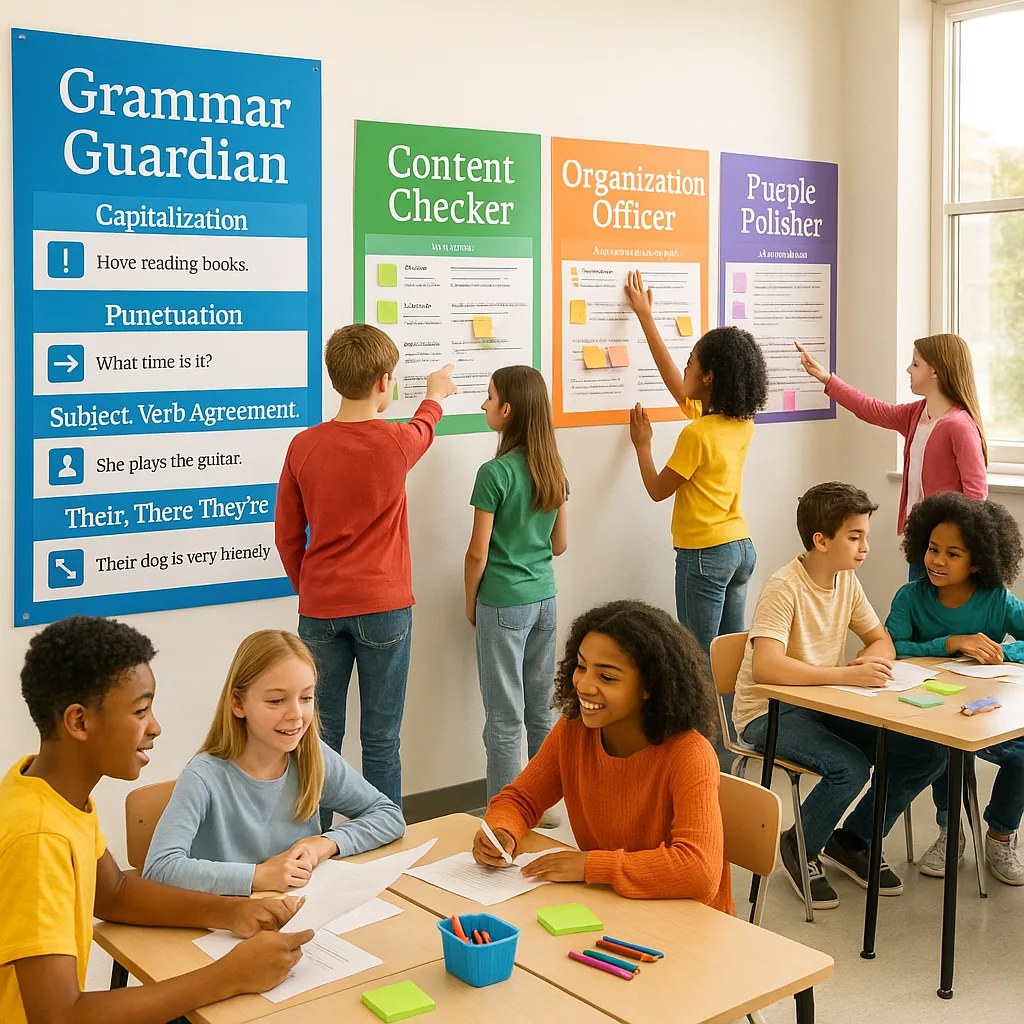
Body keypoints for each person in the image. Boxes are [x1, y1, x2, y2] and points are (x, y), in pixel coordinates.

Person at [1, 616, 312, 1024]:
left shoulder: (47, 791)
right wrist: (229, 976)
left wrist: (228, 912)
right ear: (79, 721)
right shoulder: (40, 837)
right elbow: (59, 1016)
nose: (156, 727)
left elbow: (113, 893)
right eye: (140, 711)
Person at [733, 482, 946, 910]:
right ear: (821, 540)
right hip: (770, 711)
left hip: (824, 702)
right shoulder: (784, 587)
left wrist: (868, 661)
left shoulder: (845, 581)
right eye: (856, 537)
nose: (866, 547)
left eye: (865, 535)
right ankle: (800, 844)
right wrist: (841, 675)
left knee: (927, 751)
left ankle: (852, 840)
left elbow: (880, 640)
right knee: (848, 768)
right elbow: (766, 668)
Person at [275, 323, 457, 817]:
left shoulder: (303, 446)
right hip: (385, 608)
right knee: (380, 738)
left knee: (316, 737)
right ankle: (382, 842)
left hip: (320, 609)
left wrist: (310, 588)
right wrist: (435, 393)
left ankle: (314, 845)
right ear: (383, 382)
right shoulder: (395, 442)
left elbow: (287, 537)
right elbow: (425, 426)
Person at [472, 600, 733, 913]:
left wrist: (590, 866)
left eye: (607, 677)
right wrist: (502, 831)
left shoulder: (689, 754)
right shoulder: (574, 731)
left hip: (688, 922)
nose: (584, 685)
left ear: (649, 687)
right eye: (581, 667)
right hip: (612, 906)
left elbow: (698, 872)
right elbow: (521, 800)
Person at [143, 630, 404, 894]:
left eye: (306, 698)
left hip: (298, 910)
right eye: (276, 701)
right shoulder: (203, 776)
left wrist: (325, 843)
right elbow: (159, 869)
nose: (296, 715)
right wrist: (256, 876)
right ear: (238, 703)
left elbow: (388, 815)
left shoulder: (311, 755)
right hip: (228, 920)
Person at [625, 270, 767, 661]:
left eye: (691, 364)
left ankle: (700, 727)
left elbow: (657, 490)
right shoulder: (740, 421)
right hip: (739, 548)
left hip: (704, 553)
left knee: (695, 660)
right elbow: (678, 385)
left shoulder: (697, 435)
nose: (685, 369)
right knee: (726, 661)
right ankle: (730, 726)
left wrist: (642, 445)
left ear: (707, 377)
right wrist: (645, 317)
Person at [886, 492, 1024, 884]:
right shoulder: (910, 597)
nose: (937, 561)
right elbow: (891, 648)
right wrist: (949, 643)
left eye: (952, 554)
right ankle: (951, 833)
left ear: (978, 561)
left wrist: (1004, 651)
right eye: (932, 549)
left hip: (986, 714)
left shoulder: (997, 600)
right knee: (947, 748)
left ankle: (1000, 834)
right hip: (928, 712)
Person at [796, 334, 987, 579]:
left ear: (935, 372)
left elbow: (976, 495)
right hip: (920, 540)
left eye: (916, 364)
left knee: (937, 613)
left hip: (946, 547)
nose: (908, 369)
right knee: (916, 609)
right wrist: (826, 378)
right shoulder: (916, 414)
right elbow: (870, 408)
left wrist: (960, 545)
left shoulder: (959, 426)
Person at [464, 366, 568, 805]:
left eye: (488, 398)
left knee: (504, 722)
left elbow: (476, 554)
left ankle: (503, 819)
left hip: (503, 603)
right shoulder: (553, 469)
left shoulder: (494, 473)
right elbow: (559, 545)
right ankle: (539, 810)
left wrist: (470, 603)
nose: (484, 405)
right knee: (540, 713)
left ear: (507, 410)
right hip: (545, 601)